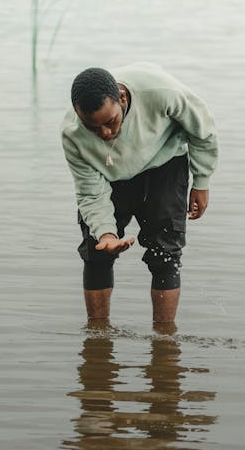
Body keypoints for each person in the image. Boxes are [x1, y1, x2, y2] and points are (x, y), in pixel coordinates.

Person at [61, 62, 218, 322]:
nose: (105, 133)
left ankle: (164, 342)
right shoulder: (72, 134)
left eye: (111, 122)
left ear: (122, 98)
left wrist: (201, 181)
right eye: (93, 128)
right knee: (96, 252)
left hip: (164, 166)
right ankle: (98, 342)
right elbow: (90, 193)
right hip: (110, 175)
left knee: (165, 255)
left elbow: (202, 130)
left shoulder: (161, 92)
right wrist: (107, 234)